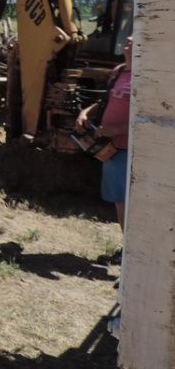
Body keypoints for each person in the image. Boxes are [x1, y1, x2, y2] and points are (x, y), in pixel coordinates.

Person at [76, 36, 133, 232]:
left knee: (130, 202)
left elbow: (148, 120)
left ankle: (130, 251)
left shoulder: (147, 76)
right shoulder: (118, 71)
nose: (128, 37)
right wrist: (85, 113)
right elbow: (105, 101)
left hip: (130, 148)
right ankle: (126, 247)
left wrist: (117, 129)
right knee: (120, 201)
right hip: (111, 148)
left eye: (134, 37)